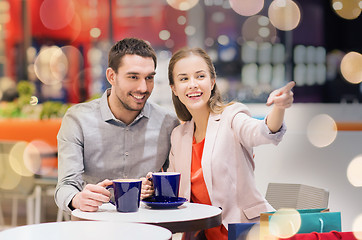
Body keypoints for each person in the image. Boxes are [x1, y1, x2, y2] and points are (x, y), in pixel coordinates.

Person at [167, 47, 295, 239]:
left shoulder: (232, 116)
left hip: (243, 231)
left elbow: (263, 132)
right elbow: (173, 190)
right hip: (201, 234)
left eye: (200, 76)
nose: (193, 84)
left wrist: (279, 108)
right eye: (184, 79)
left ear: (212, 81)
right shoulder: (179, 135)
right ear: (174, 88)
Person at [55, 38, 180, 213]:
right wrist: (77, 199)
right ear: (111, 76)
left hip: (148, 227)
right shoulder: (78, 119)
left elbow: (174, 185)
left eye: (149, 78)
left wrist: (154, 189)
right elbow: (65, 187)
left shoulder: (168, 123)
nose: (143, 87)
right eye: (133, 77)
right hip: (94, 227)